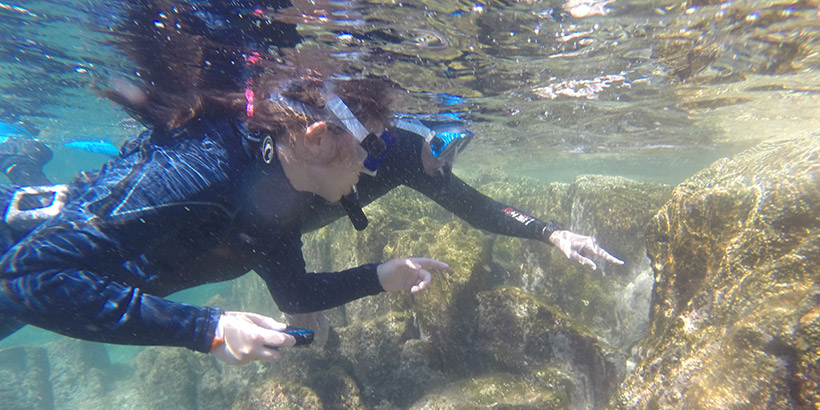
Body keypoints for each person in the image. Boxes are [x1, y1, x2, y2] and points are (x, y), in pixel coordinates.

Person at [0, 2, 448, 366]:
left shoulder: (279, 188)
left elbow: (294, 291)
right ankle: (19, 163)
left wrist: (381, 277)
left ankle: (21, 162)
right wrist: (207, 329)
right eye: (375, 149)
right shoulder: (205, 167)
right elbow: (26, 277)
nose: (373, 169)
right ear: (316, 141)